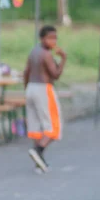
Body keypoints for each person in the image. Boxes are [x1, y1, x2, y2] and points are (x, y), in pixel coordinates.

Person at [24, 25, 67, 173]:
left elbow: (26, 72)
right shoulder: (46, 54)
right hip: (44, 89)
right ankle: (38, 150)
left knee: (36, 127)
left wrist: (26, 89)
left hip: (31, 88)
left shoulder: (33, 51)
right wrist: (63, 58)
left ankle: (38, 163)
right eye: (50, 38)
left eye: (55, 38)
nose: (53, 41)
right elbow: (55, 74)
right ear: (42, 38)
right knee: (53, 127)